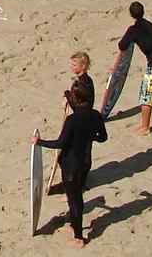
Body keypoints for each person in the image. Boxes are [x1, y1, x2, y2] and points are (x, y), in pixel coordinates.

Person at [34, 84, 107, 248]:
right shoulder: (95, 115)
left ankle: (79, 237)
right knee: (75, 197)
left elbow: (60, 143)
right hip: (85, 163)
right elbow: (103, 137)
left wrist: (39, 142)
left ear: (77, 99)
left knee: (75, 201)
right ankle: (75, 227)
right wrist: (89, 137)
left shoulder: (72, 120)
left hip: (70, 167)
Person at [115, 1, 152, 134]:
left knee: (146, 98)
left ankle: (145, 127)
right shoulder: (149, 24)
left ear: (131, 14)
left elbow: (122, 45)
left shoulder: (133, 30)